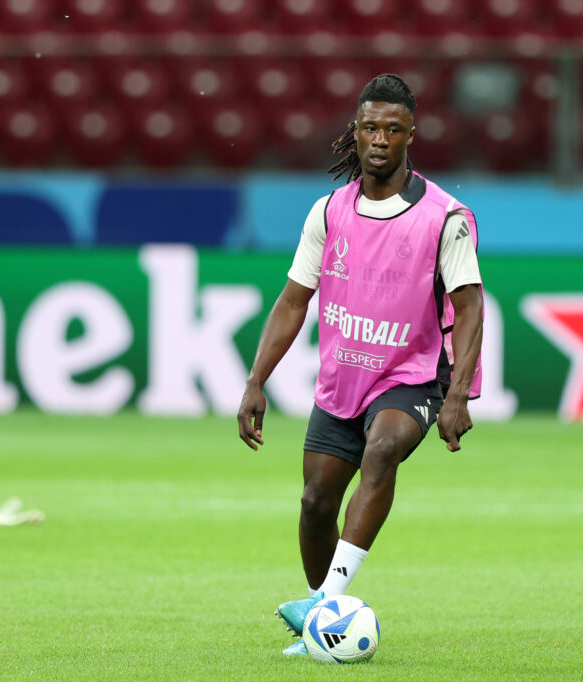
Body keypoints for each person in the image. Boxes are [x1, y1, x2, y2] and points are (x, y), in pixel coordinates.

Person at [236, 73, 484, 658]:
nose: (380, 139)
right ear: (356, 130)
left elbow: (471, 307)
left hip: (413, 376)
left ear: (410, 136)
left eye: (392, 129)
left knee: (382, 449)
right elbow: (293, 299)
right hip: (344, 378)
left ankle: (326, 614)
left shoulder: (446, 217)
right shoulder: (327, 213)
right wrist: (255, 381)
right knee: (315, 503)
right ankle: (322, 613)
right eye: (370, 127)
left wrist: (458, 395)